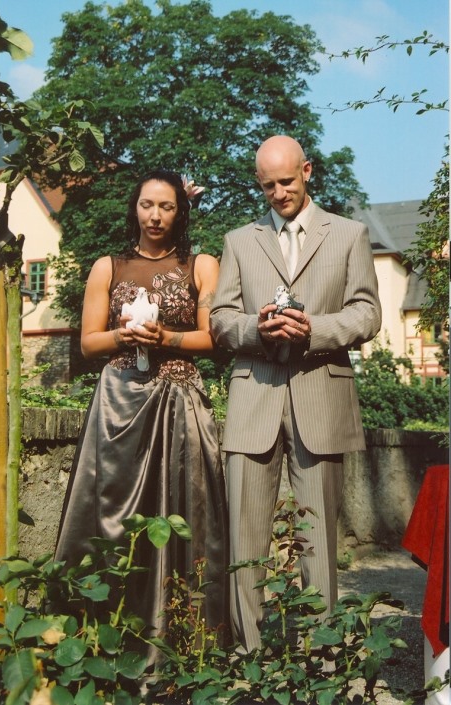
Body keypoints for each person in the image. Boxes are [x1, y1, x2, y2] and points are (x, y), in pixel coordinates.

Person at [210, 135, 381, 653]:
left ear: (307, 171)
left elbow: (367, 313)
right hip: (253, 399)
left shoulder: (349, 234)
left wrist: (315, 329)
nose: (279, 193)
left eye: (286, 181)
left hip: (321, 399)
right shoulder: (239, 241)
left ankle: (321, 660)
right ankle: (248, 656)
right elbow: (220, 320)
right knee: (245, 541)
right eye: (268, 186)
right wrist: (255, 330)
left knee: (317, 543)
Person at [55, 168, 230, 658]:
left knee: (183, 514)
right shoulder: (106, 267)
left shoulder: (202, 265)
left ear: (181, 211)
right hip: (118, 403)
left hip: (179, 403)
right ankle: (103, 638)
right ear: (134, 208)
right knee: (111, 512)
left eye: (167, 206)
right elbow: (88, 343)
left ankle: (184, 644)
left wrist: (165, 338)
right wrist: (122, 335)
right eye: (147, 205)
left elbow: (214, 339)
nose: (156, 215)